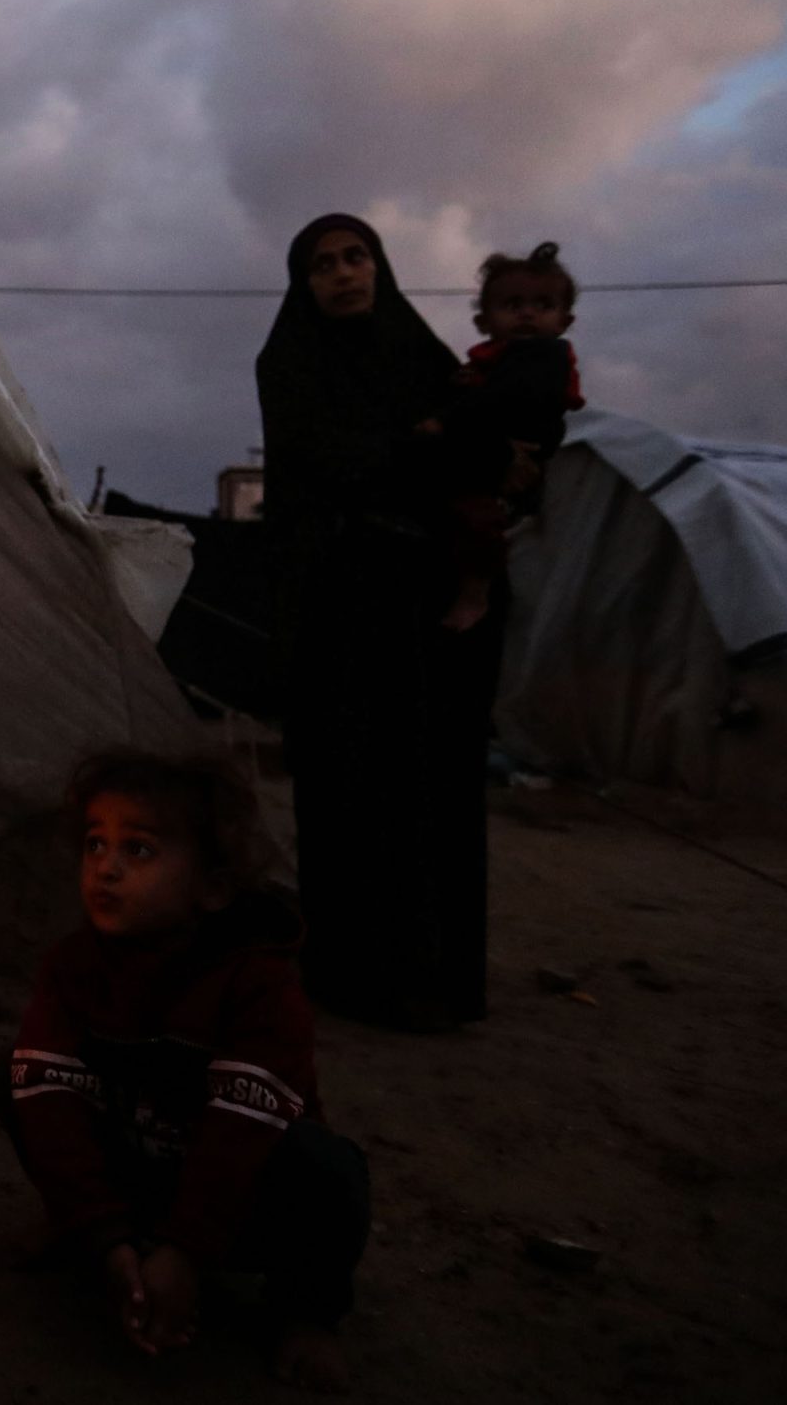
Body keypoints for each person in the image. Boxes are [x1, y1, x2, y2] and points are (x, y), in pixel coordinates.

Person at [0, 750, 369, 1393]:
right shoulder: (74, 965)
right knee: (20, 1076)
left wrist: (188, 1252)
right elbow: (52, 1107)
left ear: (212, 887)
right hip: (139, 1176)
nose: (105, 869)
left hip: (243, 1198)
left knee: (328, 1167)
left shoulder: (258, 982)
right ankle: (86, 1229)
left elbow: (241, 1131)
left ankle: (305, 1313)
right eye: (94, 844)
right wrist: (107, 1237)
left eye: (138, 851)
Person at [255, 214, 523, 1030]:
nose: (343, 274)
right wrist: (425, 458)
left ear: (380, 266)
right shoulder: (290, 363)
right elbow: (332, 461)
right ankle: (355, 979)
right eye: (324, 264)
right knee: (353, 789)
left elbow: (484, 454)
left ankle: (438, 982)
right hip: (344, 616)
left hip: (430, 614)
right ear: (304, 284)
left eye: (356, 257)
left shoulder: (425, 361)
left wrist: (472, 467)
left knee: (436, 790)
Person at [434, 241, 585, 632]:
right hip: (490, 456)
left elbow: (501, 402)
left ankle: (475, 592)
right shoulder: (496, 359)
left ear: (564, 321)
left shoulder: (545, 357)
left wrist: (448, 417)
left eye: (543, 305)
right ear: (485, 322)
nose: (527, 314)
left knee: (478, 519)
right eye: (513, 304)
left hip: (523, 459)